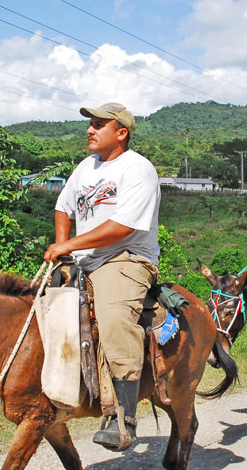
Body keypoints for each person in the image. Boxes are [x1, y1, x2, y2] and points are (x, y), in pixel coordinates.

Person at [44, 102, 160, 450]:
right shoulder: (85, 167)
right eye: (90, 125)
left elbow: (123, 227)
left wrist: (70, 246)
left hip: (126, 259)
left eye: (98, 125)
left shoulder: (139, 169)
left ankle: (123, 418)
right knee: (39, 310)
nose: (90, 130)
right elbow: (63, 208)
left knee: (112, 320)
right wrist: (64, 251)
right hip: (84, 260)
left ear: (121, 133)